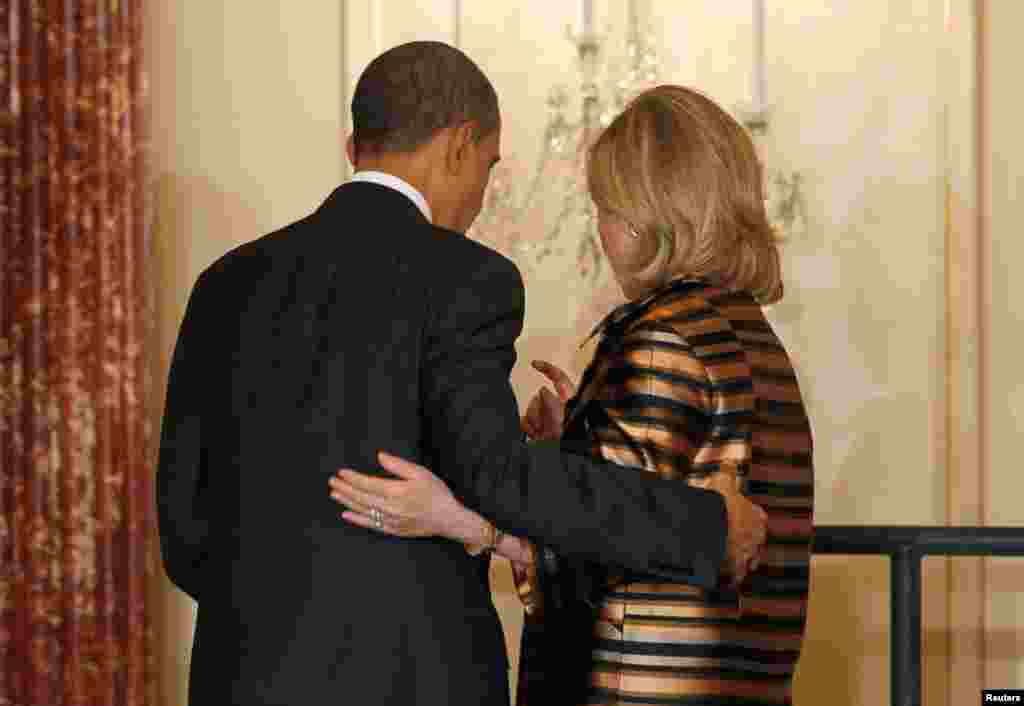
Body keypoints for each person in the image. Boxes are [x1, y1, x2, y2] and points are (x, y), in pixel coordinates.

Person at [156, 41, 767, 706]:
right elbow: (498, 478)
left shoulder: (224, 284)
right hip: (418, 682)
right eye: (488, 165)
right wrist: (703, 525)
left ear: (352, 145)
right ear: (459, 144)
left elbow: (185, 535)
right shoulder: (465, 277)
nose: (481, 194)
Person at [329, 85, 814, 705]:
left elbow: (602, 549)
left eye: (605, 209)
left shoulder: (662, 337)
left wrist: (455, 519)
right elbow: (654, 504)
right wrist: (574, 444)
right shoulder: (751, 334)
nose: (602, 231)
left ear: (646, 217)